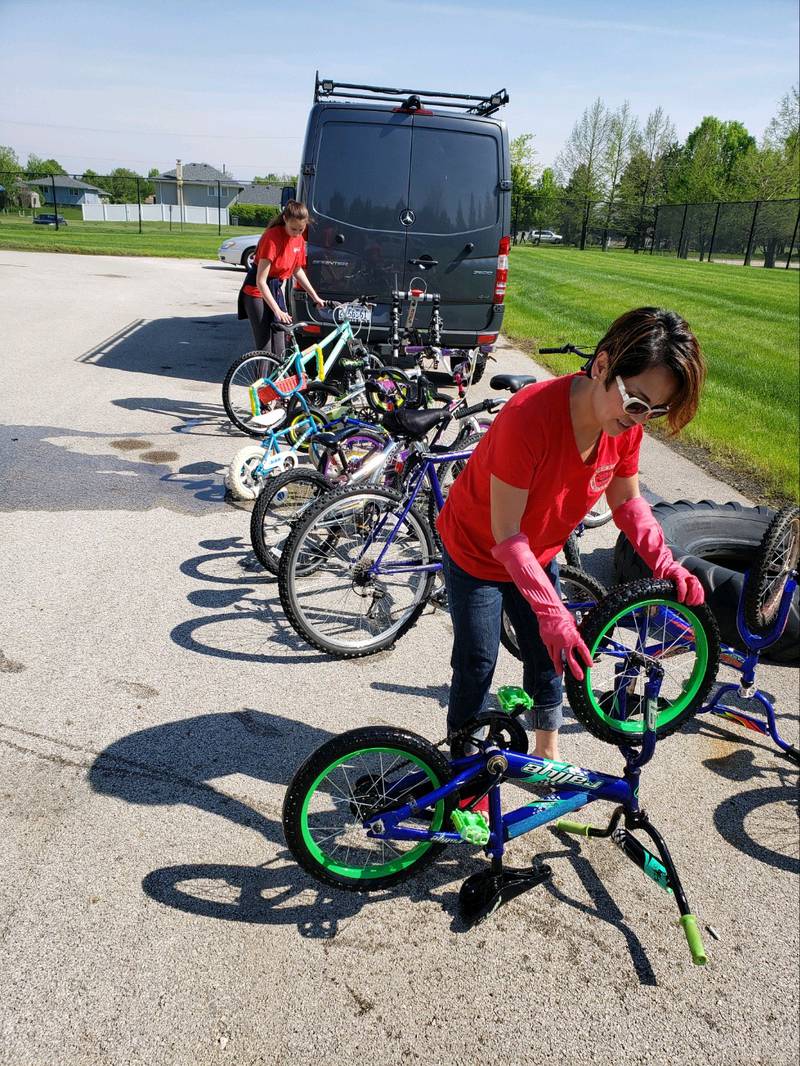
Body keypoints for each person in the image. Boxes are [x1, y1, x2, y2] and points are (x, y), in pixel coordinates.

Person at [437, 306, 707, 767]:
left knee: (549, 657)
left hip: (536, 551)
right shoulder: (529, 418)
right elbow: (506, 536)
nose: (640, 418)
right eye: (637, 402)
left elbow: (627, 502)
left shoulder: (622, 428)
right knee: (477, 663)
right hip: (479, 552)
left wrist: (664, 560)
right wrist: (551, 610)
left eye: (654, 411)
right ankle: (461, 763)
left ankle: (547, 748)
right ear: (602, 365)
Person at [239, 200, 324, 355]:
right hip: (256, 292)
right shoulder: (272, 238)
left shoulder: (298, 239)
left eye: (301, 229)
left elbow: (297, 270)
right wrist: (277, 310)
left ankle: (277, 379)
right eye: (293, 229)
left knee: (280, 346)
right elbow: (261, 281)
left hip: (275, 290)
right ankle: (263, 380)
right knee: (265, 345)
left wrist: (315, 296)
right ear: (285, 219)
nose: (297, 233)